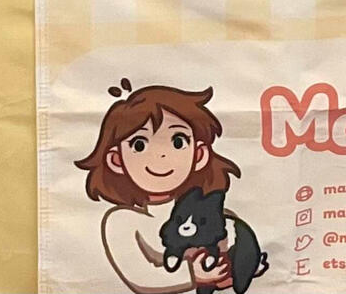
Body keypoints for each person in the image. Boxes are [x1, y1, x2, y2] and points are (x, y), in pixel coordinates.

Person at [77, 83, 244, 293]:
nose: (161, 154)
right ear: (116, 160)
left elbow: (235, 254)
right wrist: (195, 275)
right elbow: (141, 276)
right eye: (139, 144)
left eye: (178, 141)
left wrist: (237, 267)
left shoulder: (213, 211)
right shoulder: (122, 222)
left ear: (199, 154)